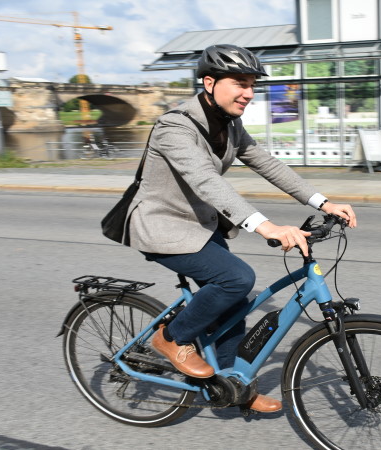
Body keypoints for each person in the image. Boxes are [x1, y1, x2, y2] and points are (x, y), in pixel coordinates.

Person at [125, 44, 357, 413]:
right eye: (239, 83)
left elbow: (268, 164)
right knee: (236, 280)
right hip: (163, 226)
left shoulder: (230, 125)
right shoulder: (175, 126)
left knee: (234, 302)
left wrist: (322, 202)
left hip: (200, 225)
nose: (248, 93)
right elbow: (205, 181)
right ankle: (171, 339)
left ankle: (236, 385)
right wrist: (264, 226)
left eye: (251, 84)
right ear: (209, 82)